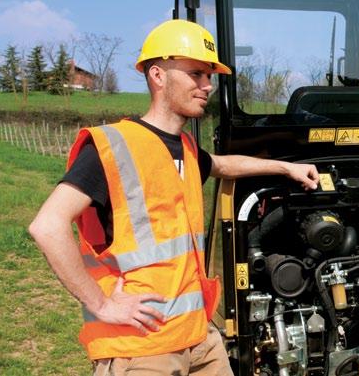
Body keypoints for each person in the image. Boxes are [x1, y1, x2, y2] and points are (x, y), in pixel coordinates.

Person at [28, 19, 319, 375]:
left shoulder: (186, 149)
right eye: (196, 73)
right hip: (141, 348)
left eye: (210, 76)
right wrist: (101, 305)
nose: (207, 85)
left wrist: (286, 169)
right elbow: (47, 225)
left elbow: (223, 165)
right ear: (158, 75)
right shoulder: (113, 146)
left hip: (200, 338)